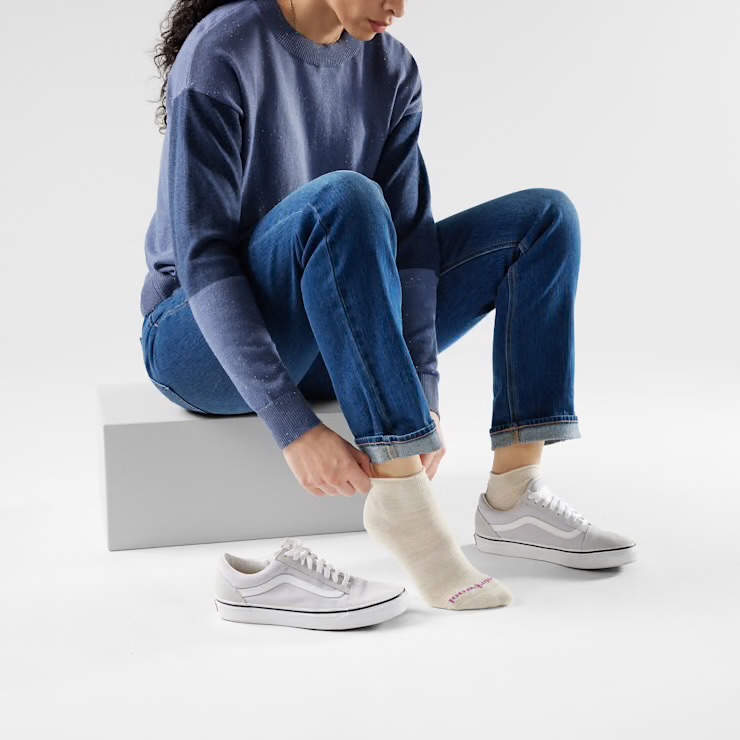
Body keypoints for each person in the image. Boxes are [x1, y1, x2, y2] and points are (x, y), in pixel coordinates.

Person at [139, 0, 636, 612]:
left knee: (544, 219)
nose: (399, 8)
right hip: (198, 343)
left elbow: (411, 247)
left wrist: (422, 389)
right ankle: (404, 506)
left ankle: (514, 496)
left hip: (338, 328)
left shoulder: (392, 69)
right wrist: (292, 426)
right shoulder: (222, 50)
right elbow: (204, 257)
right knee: (345, 199)